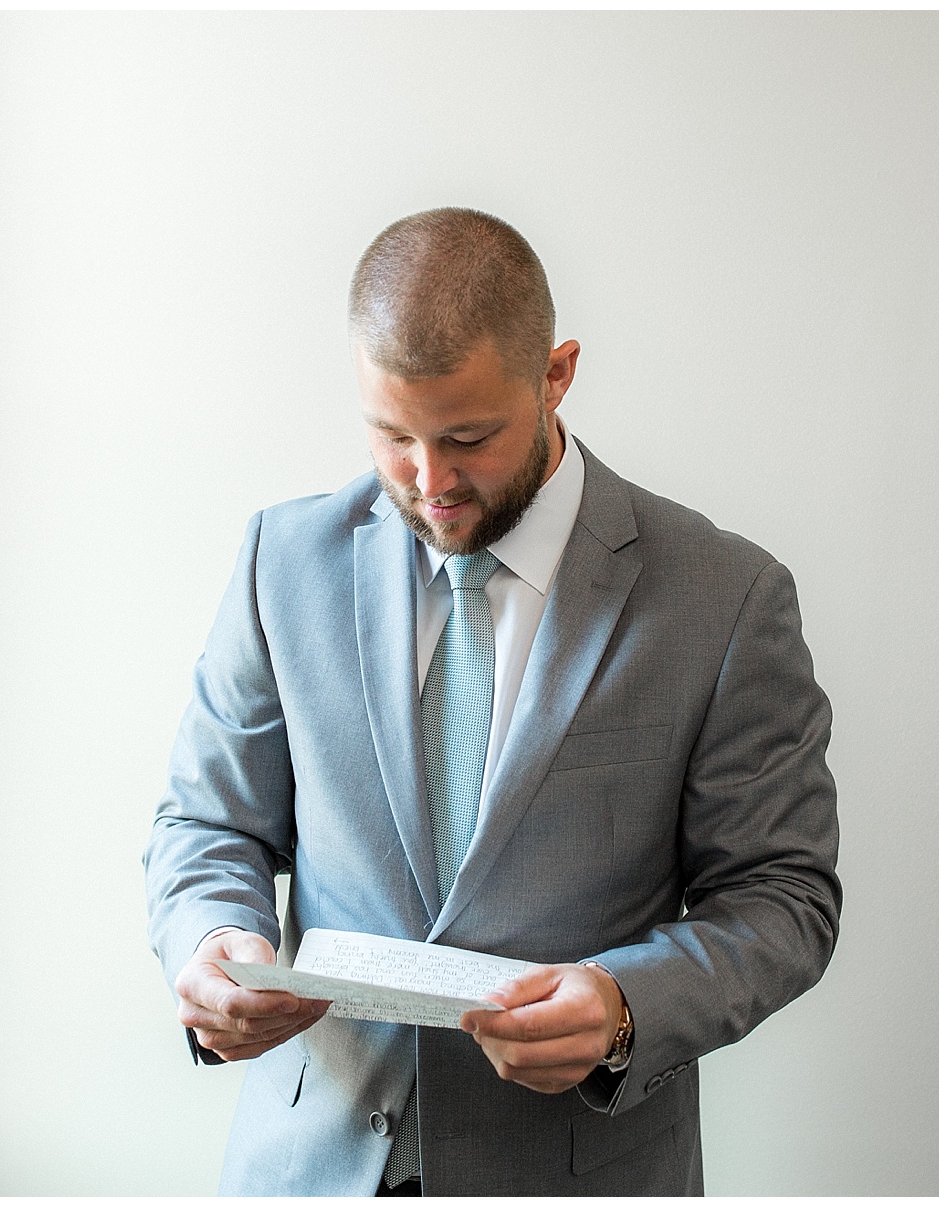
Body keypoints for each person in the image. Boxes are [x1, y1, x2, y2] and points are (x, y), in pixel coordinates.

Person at [142, 207, 840, 1196]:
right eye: (392, 437)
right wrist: (215, 944)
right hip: (309, 1168)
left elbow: (783, 894)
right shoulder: (280, 562)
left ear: (556, 375)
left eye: (468, 437)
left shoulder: (725, 599)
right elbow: (208, 823)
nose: (430, 484)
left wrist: (625, 1004)